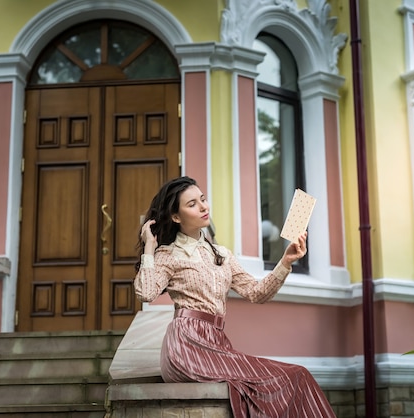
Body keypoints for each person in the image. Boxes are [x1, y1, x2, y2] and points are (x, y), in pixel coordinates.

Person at [134, 176, 336, 418]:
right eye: (192, 204)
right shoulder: (169, 254)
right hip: (186, 344)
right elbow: (146, 292)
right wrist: (149, 247)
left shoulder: (222, 255)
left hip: (217, 342)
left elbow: (257, 293)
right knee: (285, 376)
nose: (203, 207)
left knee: (297, 374)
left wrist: (286, 261)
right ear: (176, 217)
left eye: (203, 199)